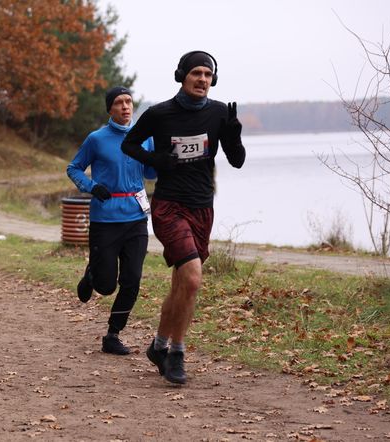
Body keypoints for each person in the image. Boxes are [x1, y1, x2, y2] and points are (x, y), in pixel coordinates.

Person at [121, 51, 246, 384]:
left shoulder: (220, 113)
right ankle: (177, 352)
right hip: (169, 206)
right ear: (182, 76)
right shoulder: (159, 114)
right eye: (196, 73)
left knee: (181, 285)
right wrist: (156, 159)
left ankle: (158, 346)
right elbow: (129, 145)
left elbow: (237, 161)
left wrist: (233, 136)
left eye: (208, 74)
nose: (202, 79)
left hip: (202, 207)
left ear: (213, 79)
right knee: (192, 277)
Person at [67, 86, 156, 355]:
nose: (126, 106)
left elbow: (151, 172)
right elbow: (73, 168)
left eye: (129, 101)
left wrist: (161, 155)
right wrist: (92, 187)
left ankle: (113, 334)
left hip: (137, 217)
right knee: (106, 286)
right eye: (119, 102)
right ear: (110, 109)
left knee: (132, 280)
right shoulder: (96, 139)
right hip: (105, 218)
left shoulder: (144, 138)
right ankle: (93, 274)